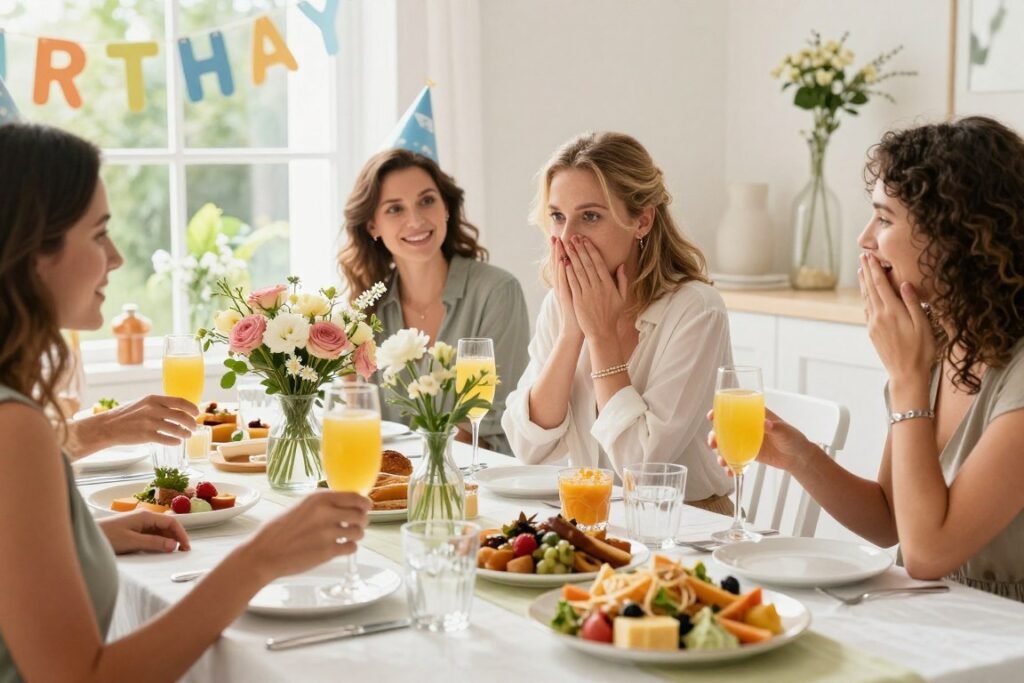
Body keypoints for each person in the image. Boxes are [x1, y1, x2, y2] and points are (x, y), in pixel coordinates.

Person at [0, 122, 371, 681]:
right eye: (98, 233)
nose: (117, 257)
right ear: (35, 254)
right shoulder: (14, 426)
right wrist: (259, 559)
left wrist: (83, 540)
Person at [709, 116, 1024, 601]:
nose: (865, 238)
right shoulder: (936, 345)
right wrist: (799, 456)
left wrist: (906, 378)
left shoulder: (1005, 370)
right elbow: (889, 521)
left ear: (953, 236)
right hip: (933, 615)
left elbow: (927, 553)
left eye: (884, 218)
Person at [502, 131, 734, 512]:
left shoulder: (696, 311)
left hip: (688, 524)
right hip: (593, 516)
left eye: (590, 216)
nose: (567, 236)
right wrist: (571, 333)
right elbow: (528, 447)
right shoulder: (560, 305)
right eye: (558, 217)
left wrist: (601, 335)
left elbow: (639, 469)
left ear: (641, 221)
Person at [338, 148, 530, 454]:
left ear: (446, 209)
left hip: (477, 486)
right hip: (390, 490)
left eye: (427, 201)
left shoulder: (496, 292)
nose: (415, 220)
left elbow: (491, 419)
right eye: (394, 209)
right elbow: (356, 423)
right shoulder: (362, 315)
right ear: (372, 225)